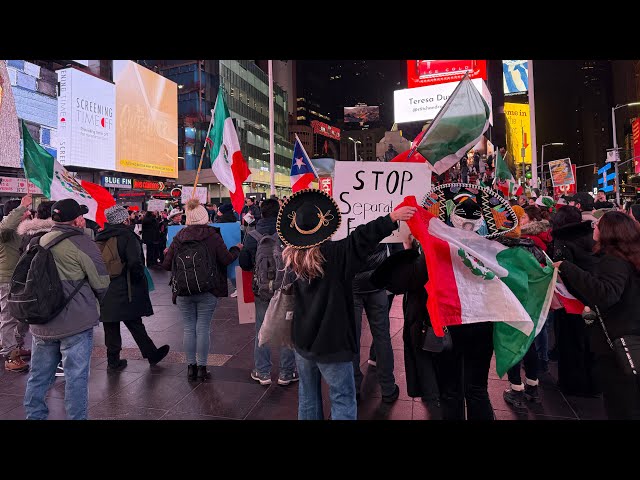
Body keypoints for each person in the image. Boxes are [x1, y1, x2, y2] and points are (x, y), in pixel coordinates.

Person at [277, 189, 416, 420]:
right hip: (332, 344)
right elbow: (363, 237)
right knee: (342, 398)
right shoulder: (335, 255)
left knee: (308, 397)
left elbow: (360, 237)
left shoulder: (291, 256)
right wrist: (392, 218)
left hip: (302, 340)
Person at [23, 199, 111, 420]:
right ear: (77, 220)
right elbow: (101, 283)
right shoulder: (83, 243)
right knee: (76, 377)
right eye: (81, 215)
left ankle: (34, 416)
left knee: (39, 375)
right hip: (75, 323)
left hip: (41, 319)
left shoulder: (37, 241)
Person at [556, 212, 640, 419]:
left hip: (618, 346)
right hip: (625, 340)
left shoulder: (613, 261)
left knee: (622, 406)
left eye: (597, 225)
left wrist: (568, 268)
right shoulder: (629, 258)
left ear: (609, 231)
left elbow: (606, 294)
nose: (593, 228)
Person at [162, 199, 241, 381]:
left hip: (183, 291)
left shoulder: (178, 236)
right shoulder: (212, 235)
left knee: (189, 328)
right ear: (205, 217)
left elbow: (167, 266)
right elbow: (227, 259)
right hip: (207, 290)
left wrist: (168, 254)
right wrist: (236, 249)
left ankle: (191, 368)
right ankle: (202, 368)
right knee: (203, 328)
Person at [370, 238, 442, 418]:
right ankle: (431, 393)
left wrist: (409, 249)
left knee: (421, 345)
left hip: (422, 309)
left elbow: (409, 279)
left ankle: (431, 394)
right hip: (439, 308)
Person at [96, 206, 170, 371]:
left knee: (110, 325)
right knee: (135, 323)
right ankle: (151, 354)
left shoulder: (99, 236)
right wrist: (139, 281)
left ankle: (113, 361)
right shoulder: (127, 235)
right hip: (126, 286)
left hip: (105, 288)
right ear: (123, 219)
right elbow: (135, 263)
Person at [238, 198, 298, 386]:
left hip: (262, 289)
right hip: (286, 288)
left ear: (261, 213)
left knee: (261, 328)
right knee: (288, 328)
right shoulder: (288, 233)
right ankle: (286, 373)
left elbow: (245, 264)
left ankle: (262, 372)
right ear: (280, 212)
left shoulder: (252, 235)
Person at [548, 205, 599, 397]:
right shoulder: (591, 236)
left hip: (571, 302)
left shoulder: (562, 241)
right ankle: (593, 384)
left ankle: (573, 384)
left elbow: (563, 272)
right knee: (590, 341)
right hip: (592, 299)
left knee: (571, 341)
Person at [351, 244, 399, 403]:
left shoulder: (343, 219)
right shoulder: (383, 218)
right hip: (377, 282)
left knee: (352, 339)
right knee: (382, 336)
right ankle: (388, 388)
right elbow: (396, 249)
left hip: (352, 284)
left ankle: (354, 387)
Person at [0, 195, 33, 372]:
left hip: (14, 278)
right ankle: (9, 355)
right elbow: (6, 226)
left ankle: (14, 346)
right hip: (6, 279)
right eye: (25, 212)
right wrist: (21, 207)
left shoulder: (15, 230)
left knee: (16, 315)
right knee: (8, 317)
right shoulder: (5, 229)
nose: (28, 214)